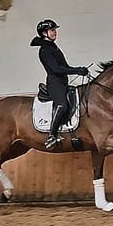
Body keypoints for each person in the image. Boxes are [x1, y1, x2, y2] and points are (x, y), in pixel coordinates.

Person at [30, 19, 90, 149]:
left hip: (63, 82)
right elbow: (56, 69)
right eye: (52, 30)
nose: (55, 32)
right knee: (62, 105)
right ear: (44, 33)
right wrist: (77, 70)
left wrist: (79, 70)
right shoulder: (45, 50)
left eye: (54, 30)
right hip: (55, 83)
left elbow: (65, 66)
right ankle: (52, 135)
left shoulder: (54, 48)